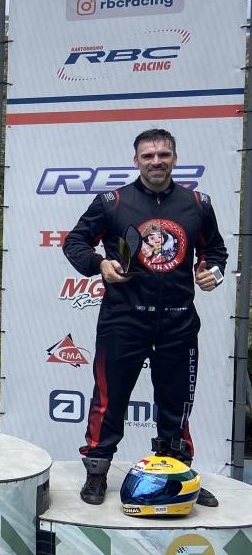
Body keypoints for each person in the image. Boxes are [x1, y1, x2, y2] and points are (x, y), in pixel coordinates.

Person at [63, 128, 227, 507]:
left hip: (178, 323)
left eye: (163, 155)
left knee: (176, 405)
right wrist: (100, 264)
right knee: (109, 400)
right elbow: (74, 241)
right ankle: (97, 472)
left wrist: (212, 272)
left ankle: (178, 477)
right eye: (148, 156)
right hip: (124, 319)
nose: (156, 162)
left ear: (174, 159)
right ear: (135, 160)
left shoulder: (197, 204)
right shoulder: (113, 202)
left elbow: (215, 251)